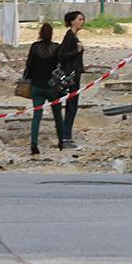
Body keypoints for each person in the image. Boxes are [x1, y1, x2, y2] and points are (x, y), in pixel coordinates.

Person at [22, 23, 64, 155]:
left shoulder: (34, 47)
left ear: (40, 33)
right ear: (51, 34)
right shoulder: (56, 48)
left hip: (37, 87)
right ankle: (61, 141)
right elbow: (61, 66)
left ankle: (34, 144)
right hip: (53, 88)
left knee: (37, 117)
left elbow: (29, 65)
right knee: (57, 116)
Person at [59, 10, 86, 148]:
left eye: (82, 19)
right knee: (71, 107)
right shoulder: (70, 37)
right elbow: (62, 55)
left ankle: (66, 136)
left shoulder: (73, 36)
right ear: (72, 22)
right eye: (79, 19)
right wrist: (77, 50)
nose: (82, 22)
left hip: (75, 75)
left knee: (72, 107)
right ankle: (65, 137)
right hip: (71, 77)